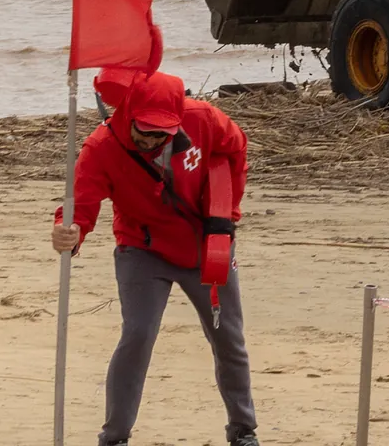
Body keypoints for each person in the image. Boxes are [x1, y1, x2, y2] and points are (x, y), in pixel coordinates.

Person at [52, 70, 259, 446]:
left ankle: (243, 430)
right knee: (138, 334)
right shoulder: (101, 147)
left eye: (161, 132)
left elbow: (236, 148)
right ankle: (114, 437)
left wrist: (225, 212)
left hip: (206, 246)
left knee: (228, 337)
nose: (150, 138)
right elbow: (82, 205)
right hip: (141, 248)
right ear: (127, 114)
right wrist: (71, 231)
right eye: (143, 130)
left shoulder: (204, 119)